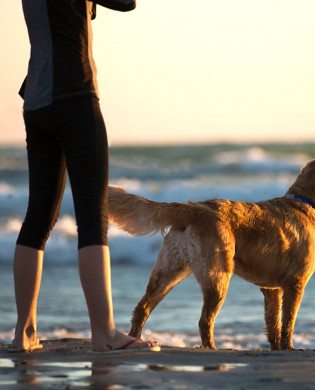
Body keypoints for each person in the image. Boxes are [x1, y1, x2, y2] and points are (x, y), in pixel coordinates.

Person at [11, 0, 160, 353]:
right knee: (92, 220)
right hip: (75, 96)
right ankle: (105, 334)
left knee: (37, 219)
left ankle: (24, 334)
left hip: (36, 101)